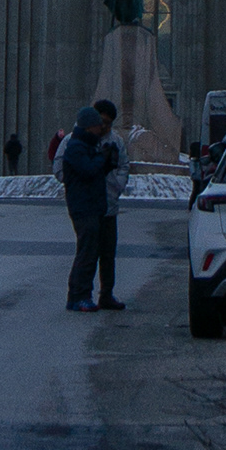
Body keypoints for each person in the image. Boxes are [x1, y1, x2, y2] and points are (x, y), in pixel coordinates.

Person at [56, 105, 113, 308]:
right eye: (98, 125)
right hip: (83, 207)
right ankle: (79, 296)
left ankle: (79, 295)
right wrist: (101, 158)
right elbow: (88, 171)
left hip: (90, 206)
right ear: (89, 127)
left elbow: (95, 172)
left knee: (88, 252)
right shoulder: (77, 147)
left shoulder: (87, 145)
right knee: (86, 254)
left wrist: (106, 162)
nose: (101, 129)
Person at [92, 96, 128, 311]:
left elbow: (124, 166)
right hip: (87, 205)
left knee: (107, 253)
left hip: (108, 204)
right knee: (87, 251)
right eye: (101, 121)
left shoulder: (116, 141)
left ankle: (106, 293)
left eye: (108, 122)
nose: (104, 126)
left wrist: (117, 187)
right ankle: (81, 294)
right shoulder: (81, 138)